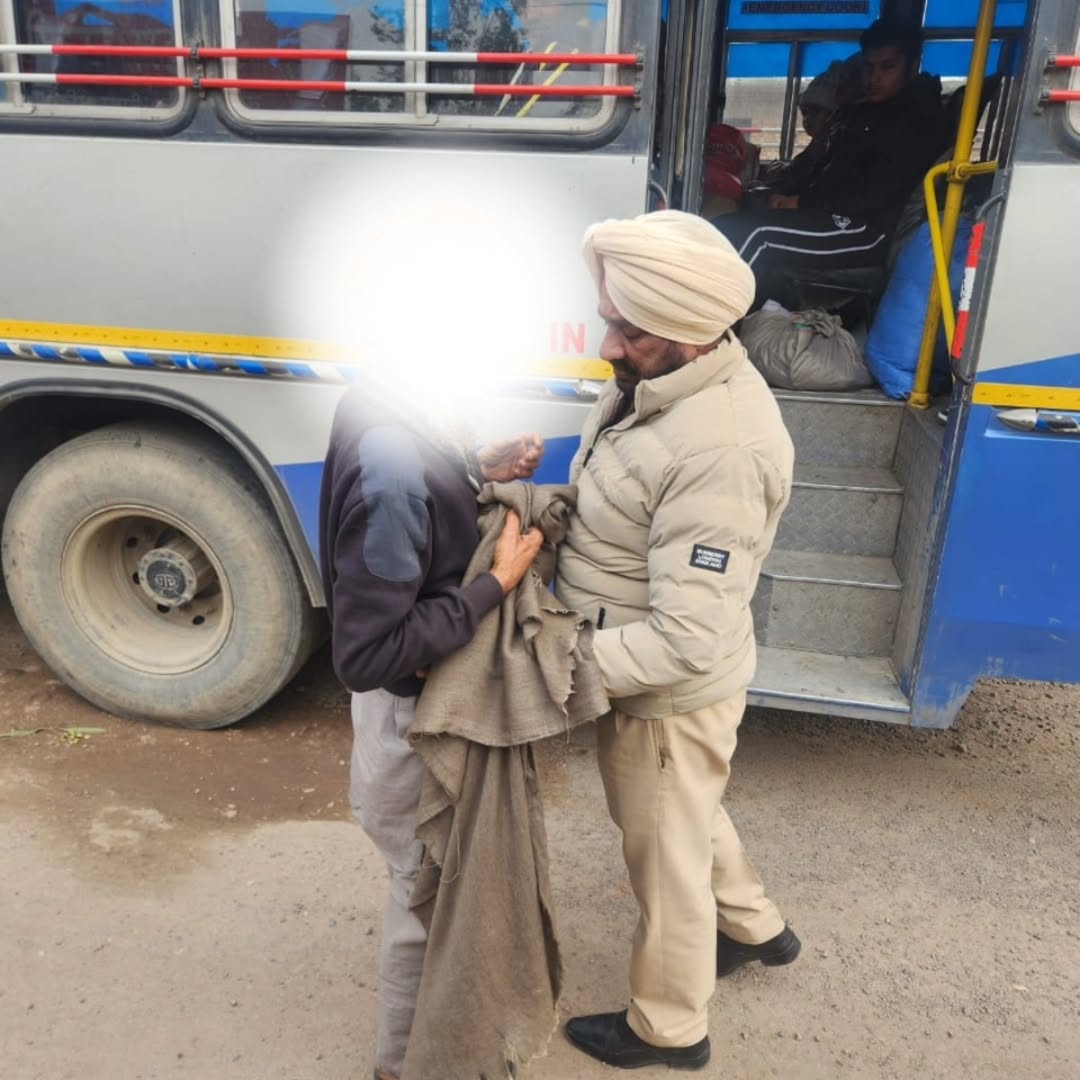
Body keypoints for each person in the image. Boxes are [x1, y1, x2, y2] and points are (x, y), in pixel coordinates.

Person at [555, 210, 799, 1071]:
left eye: (628, 330)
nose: (608, 345)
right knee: (687, 811)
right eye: (611, 319)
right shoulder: (655, 386)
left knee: (664, 854)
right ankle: (757, 928)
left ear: (694, 334)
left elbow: (686, 640)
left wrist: (560, 667)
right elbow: (617, 500)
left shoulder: (720, 448)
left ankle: (669, 1027)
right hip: (650, 686)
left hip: (661, 693)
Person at [318, 383, 546, 1080]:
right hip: (414, 728)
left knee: (427, 887)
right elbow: (368, 655)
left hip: (408, 719)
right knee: (424, 898)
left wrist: (474, 469)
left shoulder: (379, 400)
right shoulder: (393, 474)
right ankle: (403, 1066)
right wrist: (495, 585)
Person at [714, 19, 946, 308]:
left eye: (888, 67)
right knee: (723, 225)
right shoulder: (866, 112)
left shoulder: (916, 122)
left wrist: (802, 202)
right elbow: (825, 168)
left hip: (865, 230)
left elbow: (874, 193)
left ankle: (706, 331)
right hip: (832, 213)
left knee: (756, 235)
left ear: (912, 67)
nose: (874, 78)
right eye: (868, 67)